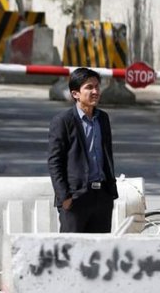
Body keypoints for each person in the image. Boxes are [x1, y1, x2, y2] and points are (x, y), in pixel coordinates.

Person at [47, 68, 119, 233]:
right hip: (75, 198)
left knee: (99, 253)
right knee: (71, 252)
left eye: (97, 87)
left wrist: (109, 194)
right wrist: (64, 197)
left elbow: (107, 156)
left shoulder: (103, 119)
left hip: (102, 197)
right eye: (89, 87)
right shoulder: (63, 121)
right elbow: (54, 162)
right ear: (75, 94)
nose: (95, 91)